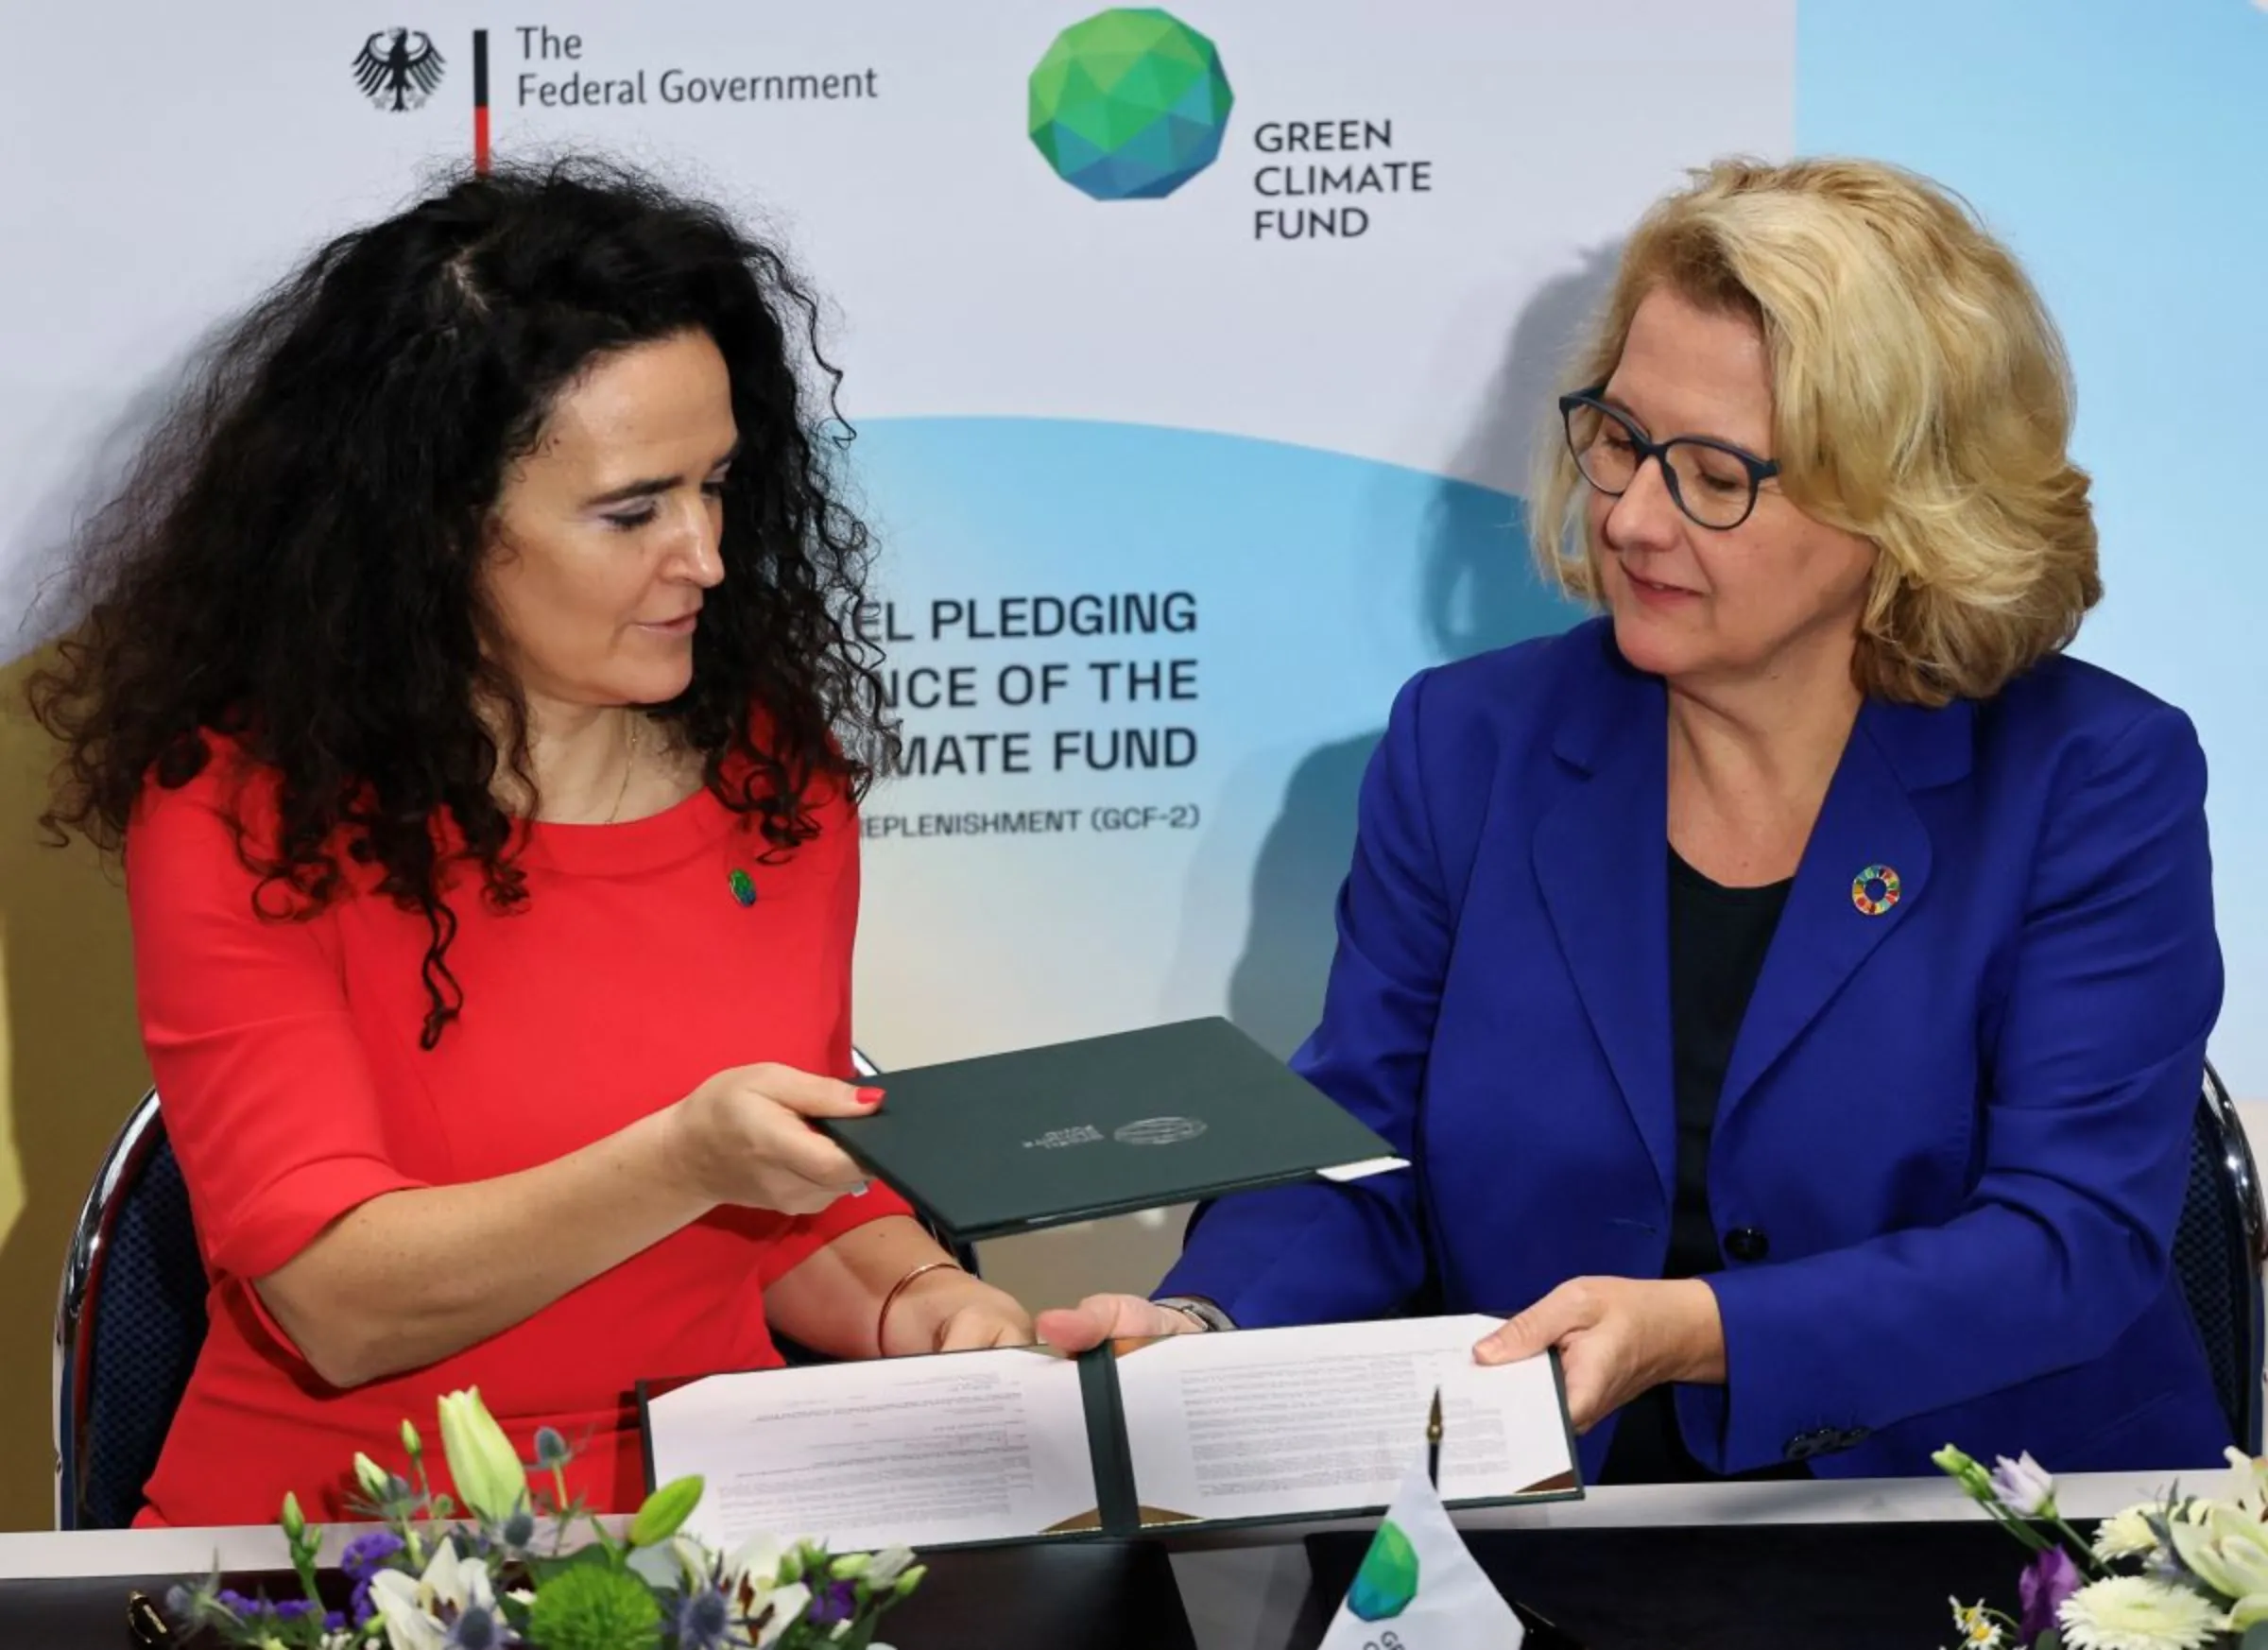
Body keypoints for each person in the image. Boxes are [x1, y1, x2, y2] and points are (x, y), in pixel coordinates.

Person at [1039, 156, 2228, 1483]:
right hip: (1555, 1521)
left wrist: (1702, 1330)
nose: (1635, 515)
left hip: (1972, 1517)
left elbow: (2070, 1239)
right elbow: (1360, 1149)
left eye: (1716, 472)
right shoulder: (1467, 746)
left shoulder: (2091, 776)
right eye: (1619, 437)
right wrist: (1210, 1324)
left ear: (1902, 502)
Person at [32, 158, 1032, 1527]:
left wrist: (932, 1306)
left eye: (719, 486)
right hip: (335, 1554)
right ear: (435, 529)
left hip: (726, 1548)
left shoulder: (771, 773)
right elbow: (336, 1301)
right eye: (634, 511)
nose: (708, 555)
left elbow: (783, 1205)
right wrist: (684, 1154)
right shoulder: (243, 802)